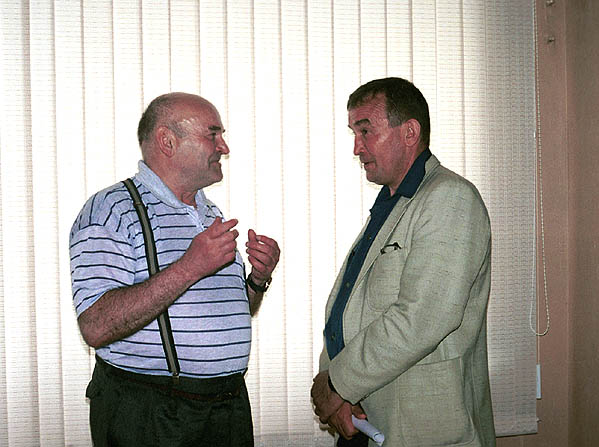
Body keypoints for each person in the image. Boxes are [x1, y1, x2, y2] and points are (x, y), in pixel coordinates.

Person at [69, 92, 280, 446]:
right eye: (212, 134)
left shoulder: (209, 212)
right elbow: (95, 325)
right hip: (151, 414)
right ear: (167, 141)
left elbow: (231, 312)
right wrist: (189, 267)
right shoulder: (110, 211)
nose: (224, 147)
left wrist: (258, 280)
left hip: (227, 409)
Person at [311, 77, 496, 446]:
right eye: (354, 133)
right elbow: (355, 308)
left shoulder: (449, 198)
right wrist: (339, 392)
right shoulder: (392, 203)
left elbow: (422, 318)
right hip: (366, 416)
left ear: (410, 132)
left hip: (421, 428)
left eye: (365, 131)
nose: (356, 147)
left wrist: (337, 384)